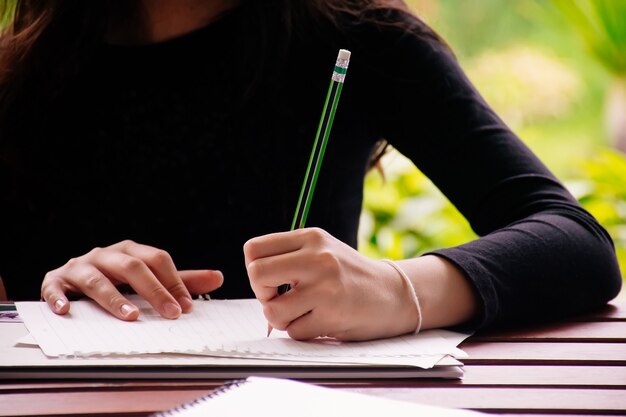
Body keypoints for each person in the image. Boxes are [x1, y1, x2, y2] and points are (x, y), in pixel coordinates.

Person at [0, 0, 621, 341]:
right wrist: (52, 290)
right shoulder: (17, 71)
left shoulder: (361, 37)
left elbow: (575, 243)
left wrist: (399, 292)